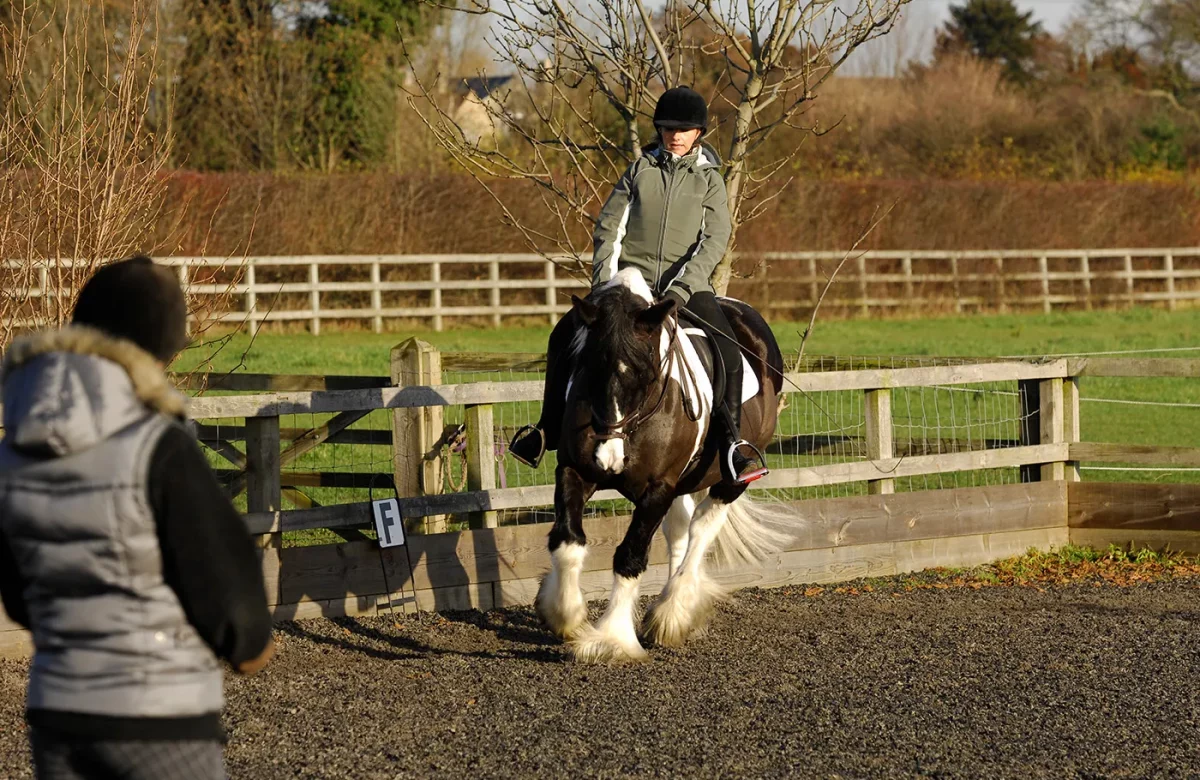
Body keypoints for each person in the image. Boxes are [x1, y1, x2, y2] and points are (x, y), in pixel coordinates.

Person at [0, 256, 275, 780]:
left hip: (56, 713)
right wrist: (249, 643)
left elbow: (19, 595)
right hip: (157, 714)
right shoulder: (156, 445)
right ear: (157, 350)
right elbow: (221, 575)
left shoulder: (14, 450)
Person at [509, 86, 769, 485]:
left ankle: (735, 444)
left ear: (699, 133)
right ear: (659, 130)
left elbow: (714, 240)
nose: (675, 136)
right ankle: (546, 429)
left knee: (729, 352)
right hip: (631, 285)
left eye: (684, 130)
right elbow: (609, 227)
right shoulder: (639, 171)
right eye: (668, 128)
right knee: (563, 335)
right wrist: (605, 285)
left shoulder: (710, 181)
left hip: (687, 288)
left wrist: (681, 289)